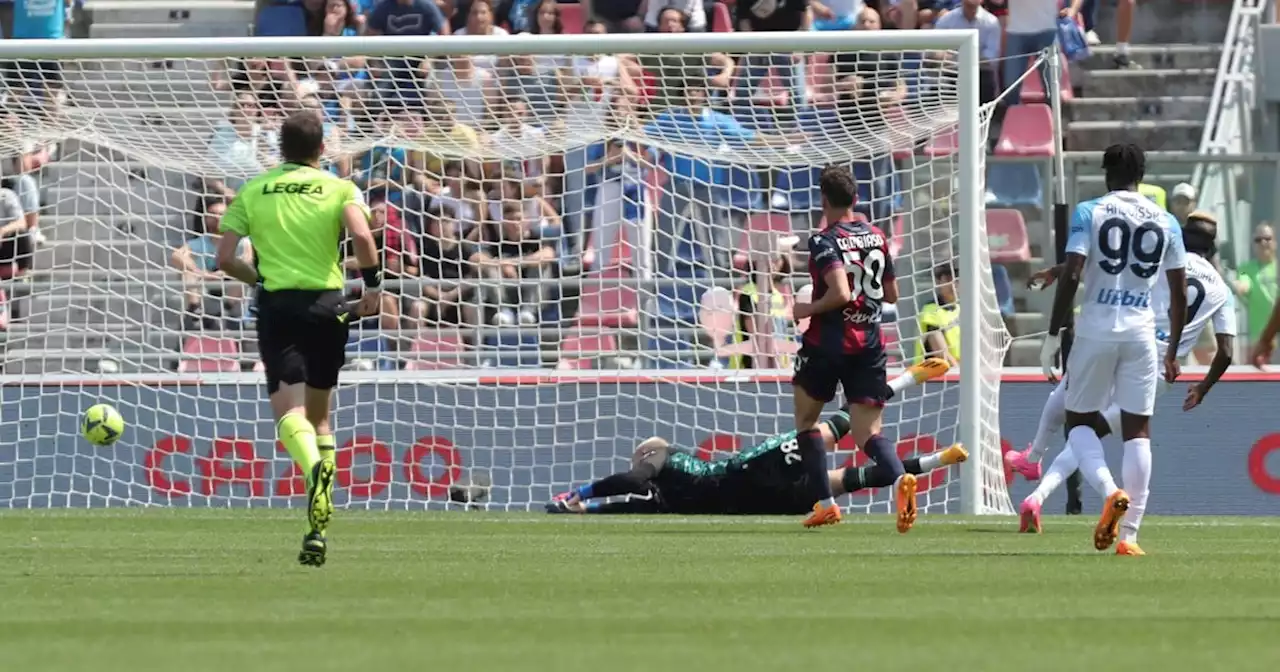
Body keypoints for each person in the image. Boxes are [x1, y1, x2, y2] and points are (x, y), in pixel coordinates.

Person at [1010, 213, 1232, 554]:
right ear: (1213, 248)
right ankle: (1128, 536)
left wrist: (1056, 272)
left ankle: (1036, 467)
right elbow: (1226, 352)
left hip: (1124, 339)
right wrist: (1203, 387)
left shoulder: (1164, 258)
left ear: (1182, 239)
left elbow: (1106, 265)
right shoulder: (1221, 288)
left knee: (1075, 411)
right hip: (1156, 368)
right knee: (1111, 434)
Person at [216, 110, 381, 568]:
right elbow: (364, 239)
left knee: (289, 413)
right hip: (329, 306)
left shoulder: (254, 190)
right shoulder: (339, 187)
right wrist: (373, 291)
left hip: (279, 307)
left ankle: (314, 471)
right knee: (320, 417)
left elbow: (224, 257)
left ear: (279, 150)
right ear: (321, 149)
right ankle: (317, 530)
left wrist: (258, 279)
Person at [547, 359, 961, 515]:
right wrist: (586, 510)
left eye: (641, 456)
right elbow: (632, 503)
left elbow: (632, 482)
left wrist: (581, 492)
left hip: (746, 472)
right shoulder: (666, 497)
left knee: (826, 433)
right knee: (853, 480)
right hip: (756, 499)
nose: (638, 460)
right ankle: (935, 461)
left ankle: (904, 380)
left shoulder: (664, 457)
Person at [1037, 143, 1187, 554]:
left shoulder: (1090, 211)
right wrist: (1172, 351)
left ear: (1106, 172)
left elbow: (1072, 273)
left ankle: (1108, 490)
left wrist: (1053, 333)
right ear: (1142, 174)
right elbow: (1178, 294)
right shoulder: (1168, 222)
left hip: (1096, 330)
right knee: (1138, 432)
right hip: (1142, 334)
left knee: (1079, 424)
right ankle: (1132, 536)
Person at [791, 165, 922, 532]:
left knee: (806, 422)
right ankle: (900, 481)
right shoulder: (877, 236)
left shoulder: (823, 240)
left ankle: (826, 505)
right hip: (870, 343)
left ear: (823, 199)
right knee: (868, 433)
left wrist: (806, 309)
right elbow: (893, 294)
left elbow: (841, 293)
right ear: (856, 199)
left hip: (827, 344)